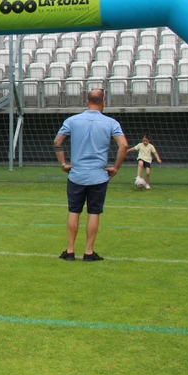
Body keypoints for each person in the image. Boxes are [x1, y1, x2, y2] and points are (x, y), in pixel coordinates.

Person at [53, 89, 128, 262]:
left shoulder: (72, 120)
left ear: (87, 102)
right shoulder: (111, 123)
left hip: (76, 175)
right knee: (94, 213)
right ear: (104, 103)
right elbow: (123, 146)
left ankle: (70, 251)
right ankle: (88, 252)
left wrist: (63, 164)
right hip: (99, 176)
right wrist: (115, 168)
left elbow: (57, 142)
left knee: (74, 211)